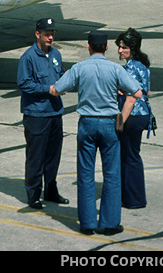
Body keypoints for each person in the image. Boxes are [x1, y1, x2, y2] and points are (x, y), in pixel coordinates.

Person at [50, 30, 143, 235]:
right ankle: (110, 223)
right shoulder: (115, 69)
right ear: (107, 48)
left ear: (88, 46)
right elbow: (137, 92)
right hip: (110, 124)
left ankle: (87, 223)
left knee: (85, 173)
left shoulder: (80, 68)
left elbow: (57, 89)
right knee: (111, 174)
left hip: (87, 124)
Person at [17, 17, 68, 210]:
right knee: (36, 157)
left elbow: (60, 75)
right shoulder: (28, 57)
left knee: (53, 156)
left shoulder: (55, 54)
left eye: (52, 34)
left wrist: (65, 83)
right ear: (37, 34)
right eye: (47, 34)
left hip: (55, 112)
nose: (50, 37)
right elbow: (24, 83)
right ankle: (33, 195)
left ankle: (51, 191)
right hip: (37, 115)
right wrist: (49, 89)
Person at [115, 28, 152, 209]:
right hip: (144, 114)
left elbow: (130, 99)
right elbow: (147, 91)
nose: (120, 51)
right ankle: (133, 196)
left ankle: (133, 199)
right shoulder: (142, 65)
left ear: (133, 48)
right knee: (133, 156)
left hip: (133, 116)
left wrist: (119, 123)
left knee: (129, 158)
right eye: (120, 47)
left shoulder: (129, 69)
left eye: (124, 48)